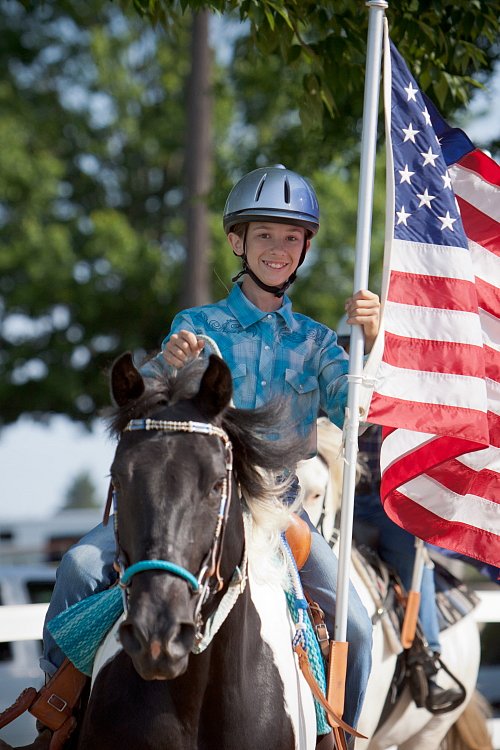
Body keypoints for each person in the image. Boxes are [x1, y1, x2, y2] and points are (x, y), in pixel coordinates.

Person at [0, 165, 379, 750]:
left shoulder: (320, 342)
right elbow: (145, 410)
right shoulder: (196, 327)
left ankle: (340, 736)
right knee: (78, 567)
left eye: (290, 237)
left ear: (305, 247)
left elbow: (356, 411)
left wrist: (369, 346)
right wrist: (162, 364)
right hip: (186, 499)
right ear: (237, 242)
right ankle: (61, 711)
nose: (277, 249)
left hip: (277, 511)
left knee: (353, 620)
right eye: (264, 235)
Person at [336, 315, 467, 714]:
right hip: (338, 502)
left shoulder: (399, 388)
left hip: (385, 503)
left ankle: (426, 656)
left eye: (357, 345)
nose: (350, 353)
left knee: (413, 554)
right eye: (345, 344)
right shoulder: (331, 387)